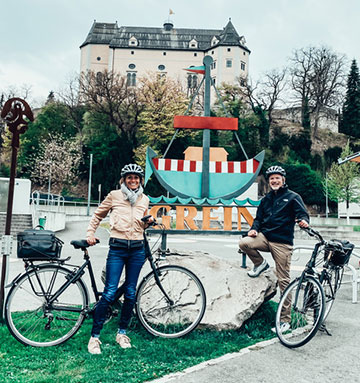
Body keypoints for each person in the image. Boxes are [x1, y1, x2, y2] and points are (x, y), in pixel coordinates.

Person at [86, 163, 153, 354]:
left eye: (136, 178)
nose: (133, 180)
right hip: (117, 248)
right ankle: (94, 338)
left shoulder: (144, 199)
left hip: (137, 249)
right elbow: (98, 215)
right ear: (123, 179)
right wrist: (90, 233)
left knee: (131, 293)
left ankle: (121, 333)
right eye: (129, 177)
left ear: (140, 180)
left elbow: (140, 225)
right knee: (109, 293)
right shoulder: (114, 195)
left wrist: (147, 223)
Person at [238, 165, 309, 332]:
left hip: (282, 243)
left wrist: (304, 221)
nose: (274, 181)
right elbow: (258, 218)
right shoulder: (267, 199)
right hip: (264, 237)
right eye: (271, 179)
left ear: (283, 180)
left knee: (284, 281)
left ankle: (285, 320)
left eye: (277, 178)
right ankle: (260, 264)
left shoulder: (293, 197)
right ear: (269, 182)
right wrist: (254, 228)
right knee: (244, 243)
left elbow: (303, 214)